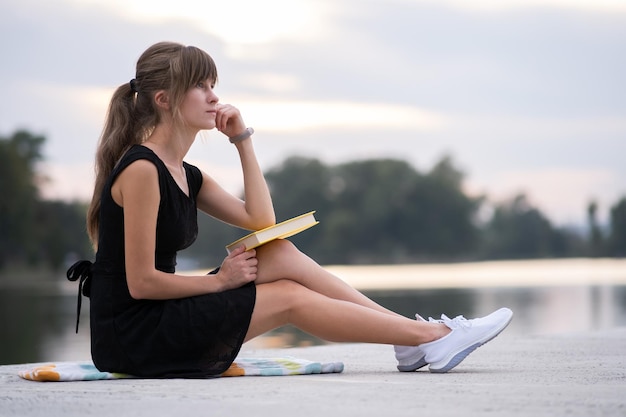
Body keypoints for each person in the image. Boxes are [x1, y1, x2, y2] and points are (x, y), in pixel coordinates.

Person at [67, 41, 513, 378]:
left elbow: (263, 224)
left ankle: (413, 338)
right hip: (133, 336)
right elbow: (141, 284)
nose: (212, 96)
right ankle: (431, 338)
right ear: (164, 99)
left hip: (160, 318)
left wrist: (243, 141)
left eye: (212, 85)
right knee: (290, 299)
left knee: (276, 251)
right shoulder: (143, 169)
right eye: (199, 86)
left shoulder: (185, 172)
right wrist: (221, 281)